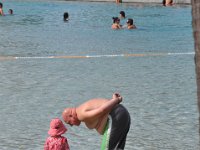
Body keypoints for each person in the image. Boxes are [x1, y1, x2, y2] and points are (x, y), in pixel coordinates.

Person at [62, 93, 131, 150]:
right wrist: (114, 100)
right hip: (124, 114)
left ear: (71, 115)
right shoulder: (81, 109)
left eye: (69, 122)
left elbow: (102, 110)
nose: (71, 125)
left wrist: (116, 100)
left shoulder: (80, 114)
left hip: (116, 116)